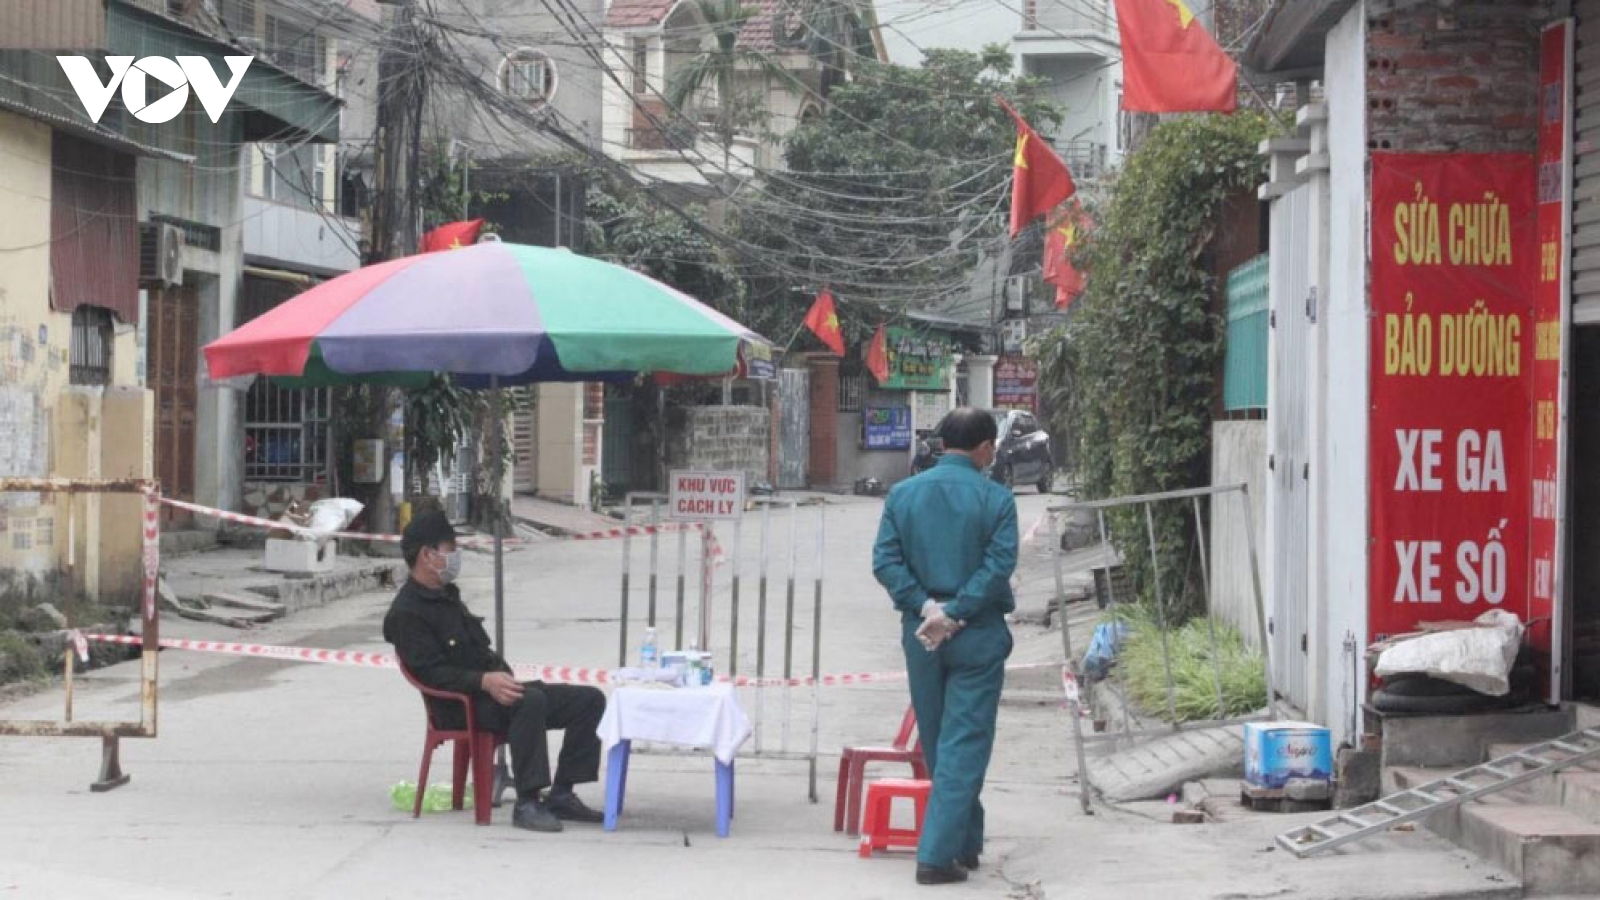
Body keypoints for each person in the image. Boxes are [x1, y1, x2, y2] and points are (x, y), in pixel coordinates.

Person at [384, 511, 607, 833]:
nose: (455, 557)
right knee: (528, 702)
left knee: (588, 699)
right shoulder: (407, 613)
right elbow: (430, 673)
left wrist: (496, 676)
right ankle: (527, 802)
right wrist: (483, 681)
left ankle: (562, 793)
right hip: (459, 705)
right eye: (451, 550)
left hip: (492, 692)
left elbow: (476, 650)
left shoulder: (446, 595)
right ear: (427, 556)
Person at [872, 408, 1018, 886]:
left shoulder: (903, 494)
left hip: (922, 635)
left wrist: (926, 607)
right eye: (992, 448)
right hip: (974, 632)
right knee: (965, 742)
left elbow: (885, 561)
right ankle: (935, 856)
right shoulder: (996, 500)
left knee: (940, 743)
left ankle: (964, 841)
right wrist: (956, 611)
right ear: (984, 448)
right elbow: (997, 567)